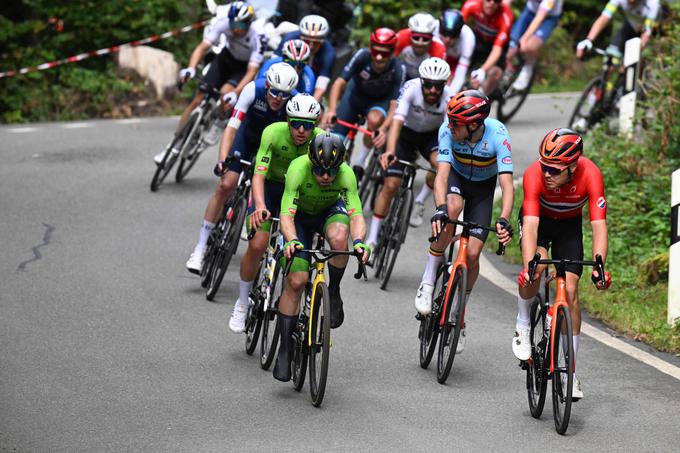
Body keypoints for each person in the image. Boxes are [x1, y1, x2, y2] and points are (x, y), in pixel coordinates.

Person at [513, 128, 611, 400]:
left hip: (569, 227)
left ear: (572, 166)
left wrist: (599, 265)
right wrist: (529, 265)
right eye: (545, 166)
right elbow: (530, 226)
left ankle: (570, 372)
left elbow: (598, 226)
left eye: (554, 170)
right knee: (538, 267)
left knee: (571, 292)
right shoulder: (535, 175)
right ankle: (522, 322)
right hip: (540, 223)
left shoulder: (591, 174)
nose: (547, 173)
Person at [414, 90, 514, 353]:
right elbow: (442, 176)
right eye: (449, 120)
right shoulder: (447, 132)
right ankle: (427, 282)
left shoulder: (498, 134)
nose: (449, 126)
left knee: (472, 252)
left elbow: (506, 184)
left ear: (474, 124)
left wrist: (504, 218)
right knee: (452, 209)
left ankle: (460, 311)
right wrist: (440, 209)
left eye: (455, 122)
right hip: (457, 179)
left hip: (483, 189)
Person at [273, 133, 371, 381]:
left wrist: (359, 242)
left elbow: (356, 214)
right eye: (319, 170)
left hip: (328, 212)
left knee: (340, 239)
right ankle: (285, 349)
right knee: (296, 281)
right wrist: (292, 240)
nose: (326, 177)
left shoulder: (347, 174)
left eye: (332, 171)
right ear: (310, 162)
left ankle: (334, 290)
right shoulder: (297, 170)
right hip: (299, 220)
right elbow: (286, 214)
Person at [185, 63, 299, 274]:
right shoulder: (252, 90)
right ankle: (200, 248)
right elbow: (231, 128)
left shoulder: (294, 102)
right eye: (274, 92)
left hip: (271, 148)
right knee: (226, 184)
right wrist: (223, 161)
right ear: (266, 85)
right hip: (247, 138)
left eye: (284, 94)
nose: (278, 98)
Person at [228, 94, 324, 332]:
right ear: (288, 120)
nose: (302, 130)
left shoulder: (321, 141)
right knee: (258, 244)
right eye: (296, 124)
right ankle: (242, 302)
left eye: (308, 125)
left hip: (298, 197)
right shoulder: (272, 132)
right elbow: (258, 175)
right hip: (269, 191)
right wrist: (260, 206)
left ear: (316, 125)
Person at [365, 58, 456, 252]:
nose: (433, 90)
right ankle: (372, 240)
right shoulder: (411, 88)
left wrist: (446, 159)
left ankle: (420, 201)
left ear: (444, 85)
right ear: (422, 82)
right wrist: (390, 151)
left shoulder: (450, 97)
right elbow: (397, 122)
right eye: (429, 85)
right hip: (405, 134)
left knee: (441, 165)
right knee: (391, 184)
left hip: (431, 136)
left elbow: (449, 133)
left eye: (438, 86)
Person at [154, 1, 262, 163]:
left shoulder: (257, 38)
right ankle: (173, 146)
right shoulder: (223, 24)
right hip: (225, 60)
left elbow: (251, 72)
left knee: (226, 95)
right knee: (198, 97)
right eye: (233, 23)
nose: (235, 28)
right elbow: (202, 48)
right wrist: (191, 68)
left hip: (242, 68)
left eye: (239, 24)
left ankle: (219, 120)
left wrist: (235, 93)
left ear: (248, 23)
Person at [321, 28, 405, 180]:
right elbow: (339, 83)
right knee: (334, 141)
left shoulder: (398, 68)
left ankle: (359, 163)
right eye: (375, 51)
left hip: (380, 101)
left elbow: (394, 105)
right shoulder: (362, 55)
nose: (379, 57)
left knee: (374, 121)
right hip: (356, 96)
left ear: (392, 52)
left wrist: (383, 129)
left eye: (385, 53)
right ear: (370, 49)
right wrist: (332, 110)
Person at [506, 0, 563, 90]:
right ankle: (508, 71)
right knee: (510, 45)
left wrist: (524, 39)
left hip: (548, 17)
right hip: (530, 11)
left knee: (530, 46)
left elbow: (540, 17)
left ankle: (528, 68)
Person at [276, 15, 336, 101]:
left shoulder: (329, 53)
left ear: (323, 41)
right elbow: (272, 65)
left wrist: (310, 107)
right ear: (300, 37)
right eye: (307, 41)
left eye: (316, 43)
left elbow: (321, 87)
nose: (311, 47)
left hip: (308, 86)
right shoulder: (289, 39)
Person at [461, 0, 514, 96]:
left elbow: (497, 49)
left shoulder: (506, 16)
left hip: (497, 45)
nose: (492, 3)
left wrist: (483, 70)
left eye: (496, 1)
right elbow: (459, 29)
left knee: (495, 73)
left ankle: (481, 99)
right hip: (479, 39)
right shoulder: (472, 4)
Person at [576, 0, 659, 59]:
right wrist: (589, 40)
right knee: (611, 57)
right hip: (629, 27)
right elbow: (604, 18)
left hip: (644, 31)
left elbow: (647, 32)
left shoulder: (653, 3)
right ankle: (604, 82)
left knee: (635, 61)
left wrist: (635, 53)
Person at [394, 12, 447, 81]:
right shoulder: (401, 37)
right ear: (410, 35)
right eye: (416, 38)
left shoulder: (439, 48)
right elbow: (390, 61)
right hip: (402, 74)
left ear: (431, 38)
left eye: (425, 39)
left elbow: (437, 78)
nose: (420, 43)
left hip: (425, 80)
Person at [437, 9, 476, 93]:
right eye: (444, 33)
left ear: (460, 32)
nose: (447, 39)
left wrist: (450, 96)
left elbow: (460, 74)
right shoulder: (432, 28)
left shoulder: (468, 38)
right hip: (436, 57)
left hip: (455, 63)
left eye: (453, 35)